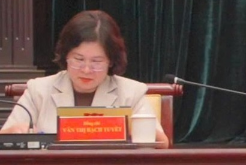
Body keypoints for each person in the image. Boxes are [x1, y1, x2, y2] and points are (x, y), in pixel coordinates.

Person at [1, 10, 170, 147]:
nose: (87, 70)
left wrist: (138, 132)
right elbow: (5, 140)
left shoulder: (131, 92)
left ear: (111, 61)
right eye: (79, 59)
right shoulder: (38, 90)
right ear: (66, 55)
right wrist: (16, 133)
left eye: (96, 61)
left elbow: (162, 144)